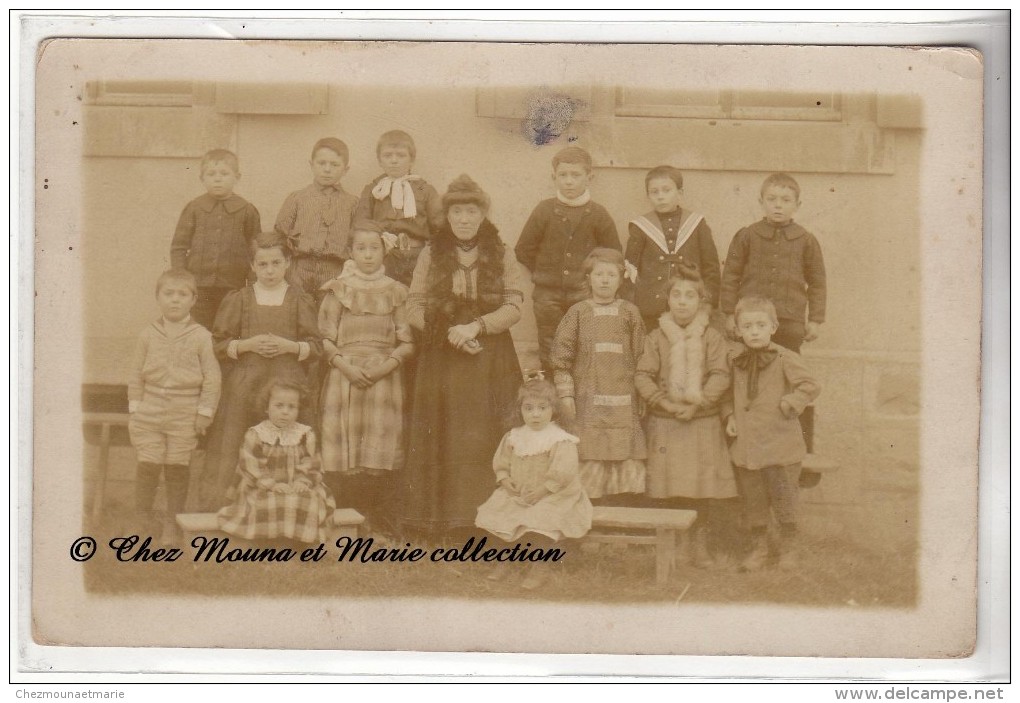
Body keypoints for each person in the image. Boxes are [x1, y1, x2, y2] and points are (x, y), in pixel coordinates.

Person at [402, 174, 524, 540]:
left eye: (472, 211)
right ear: (448, 216)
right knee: (444, 431)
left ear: (483, 214)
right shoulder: (431, 252)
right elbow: (414, 304)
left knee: (482, 434)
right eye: (457, 212)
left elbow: (515, 304)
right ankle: (443, 522)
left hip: (491, 355)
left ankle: (486, 523)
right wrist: (447, 334)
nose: (465, 219)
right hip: (441, 355)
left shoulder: (502, 252)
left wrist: (476, 327)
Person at [198, 232, 321, 510]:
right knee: (235, 441)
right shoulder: (239, 299)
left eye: (276, 263)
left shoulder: (299, 299)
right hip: (245, 385)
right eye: (262, 264)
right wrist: (247, 345)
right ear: (252, 266)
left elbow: (316, 347)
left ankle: (289, 508)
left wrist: (288, 346)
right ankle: (229, 507)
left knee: (291, 447)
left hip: (287, 385)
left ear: (287, 263)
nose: (269, 271)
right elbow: (219, 343)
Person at [719, 172, 826, 462]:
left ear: (797, 204)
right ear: (761, 202)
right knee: (745, 376)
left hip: (789, 323)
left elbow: (817, 282)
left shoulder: (806, 241)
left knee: (791, 379)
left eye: (786, 200)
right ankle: (743, 438)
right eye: (772, 199)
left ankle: (801, 448)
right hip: (751, 322)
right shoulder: (747, 236)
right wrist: (729, 313)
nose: (778, 205)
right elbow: (730, 275)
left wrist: (814, 319)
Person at [634, 267, 736, 568]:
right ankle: (672, 545)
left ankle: (698, 545)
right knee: (668, 487)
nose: (682, 302)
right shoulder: (655, 337)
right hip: (665, 422)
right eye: (676, 295)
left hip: (701, 420)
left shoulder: (713, 337)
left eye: (690, 296)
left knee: (700, 487)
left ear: (701, 301)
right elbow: (642, 375)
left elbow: (720, 374)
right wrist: (663, 403)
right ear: (667, 300)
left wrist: (698, 403)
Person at [319, 221, 414, 537]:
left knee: (377, 448)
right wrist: (345, 367)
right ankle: (347, 519)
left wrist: (383, 368)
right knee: (347, 449)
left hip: (382, 378)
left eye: (374, 248)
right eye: (361, 248)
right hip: (345, 375)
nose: (368, 255)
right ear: (351, 252)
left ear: (384, 251)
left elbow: (407, 341)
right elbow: (325, 339)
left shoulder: (396, 291)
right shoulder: (338, 289)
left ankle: (375, 519)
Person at [722, 296, 821, 572]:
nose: (754, 331)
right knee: (754, 501)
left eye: (760, 325)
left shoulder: (784, 357)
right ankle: (759, 548)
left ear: (773, 327)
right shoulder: (735, 359)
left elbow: (810, 385)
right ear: (738, 331)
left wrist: (792, 402)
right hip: (748, 447)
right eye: (748, 326)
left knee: (784, 499)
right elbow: (726, 392)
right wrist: (729, 414)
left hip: (780, 446)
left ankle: (789, 548)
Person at [475, 373, 592, 590]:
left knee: (542, 519)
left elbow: (563, 472)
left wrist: (543, 491)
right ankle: (505, 560)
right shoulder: (515, 436)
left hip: (556, 494)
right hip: (520, 493)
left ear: (553, 410)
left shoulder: (559, 438)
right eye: (528, 408)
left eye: (542, 408)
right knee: (498, 510)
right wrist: (505, 479)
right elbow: (501, 462)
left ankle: (540, 566)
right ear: (520, 410)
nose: (535, 415)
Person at [127, 269, 221, 540]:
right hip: (150, 408)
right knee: (148, 462)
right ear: (158, 297)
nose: (175, 300)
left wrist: (204, 412)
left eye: (182, 294)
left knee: (177, 464)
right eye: (168, 294)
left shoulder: (201, 336)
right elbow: (135, 373)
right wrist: (136, 407)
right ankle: (143, 519)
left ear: (194, 299)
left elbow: (213, 379)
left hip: (185, 409)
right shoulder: (148, 334)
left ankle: (173, 522)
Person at [549, 248, 646, 504]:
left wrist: (643, 393)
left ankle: (624, 515)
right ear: (588, 278)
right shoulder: (577, 313)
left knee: (624, 451)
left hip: (625, 401)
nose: (604, 280)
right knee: (590, 452)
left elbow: (642, 357)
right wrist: (566, 394)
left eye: (611, 275)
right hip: (586, 401)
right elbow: (561, 358)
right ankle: (589, 519)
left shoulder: (630, 313)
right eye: (599, 274)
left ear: (621, 279)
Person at [514, 146, 621, 375]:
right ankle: (554, 397)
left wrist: (589, 278)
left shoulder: (598, 214)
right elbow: (523, 249)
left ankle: (582, 397)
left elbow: (613, 255)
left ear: (589, 178)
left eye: (576, 175)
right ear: (554, 177)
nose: (569, 182)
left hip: (584, 293)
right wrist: (545, 272)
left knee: (584, 343)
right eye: (563, 175)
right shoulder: (544, 210)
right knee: (550, 344)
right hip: (547, 295)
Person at [217, 378, 336, 544]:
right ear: (267, 407)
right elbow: (250, 464)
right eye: (279, 406)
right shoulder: (256, 434)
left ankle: (299, 542)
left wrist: (302, 481)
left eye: (291, 407)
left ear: (299, 409)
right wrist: (271, 483)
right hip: (262, 485)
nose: (285, 412)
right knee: (266, 501)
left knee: (307, 500)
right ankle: (267, 541)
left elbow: (312, 462)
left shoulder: (304, 434)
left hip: (297, 485)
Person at [169, 149, 262, 329]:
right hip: (198, 285)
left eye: (224, 173)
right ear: (202, 178)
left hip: (232, 286)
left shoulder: (247, 210)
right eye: (211, 174)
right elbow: (179, 246)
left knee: (228, 328)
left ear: (237, 177)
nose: (217, 178)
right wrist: (181, 278)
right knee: (197, 328)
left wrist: (252, 281)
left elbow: (255, 249)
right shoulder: (194, 208)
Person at [625, 165, 721, 331]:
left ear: (680, 192)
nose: (661, 196)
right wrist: (631, 303)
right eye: (654, 192)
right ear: (648, 196)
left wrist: (707, 304)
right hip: (650, 309)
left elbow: (711, 267)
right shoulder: (640, 227)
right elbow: (630, 270)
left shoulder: (697, 224)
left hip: (689, 308)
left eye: (666, 190)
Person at [353, 130, 445, 286]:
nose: (394, 161)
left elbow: (440, 226)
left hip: (418, 256)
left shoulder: (425, 190)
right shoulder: (373, 190)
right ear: (380, 160)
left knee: (418, 297)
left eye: (401, 155)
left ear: (412, 159)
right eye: (387, 156)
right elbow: (361, 225)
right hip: (384, 258)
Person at [274, 137, 359, 305]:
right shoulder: (297, 198)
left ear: (345, 170)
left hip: (335, 270)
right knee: (297, 312)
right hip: (299, 268)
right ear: (311, 165)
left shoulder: (353, 203)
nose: (327, 169)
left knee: (328, 315)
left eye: (335, 165)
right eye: (321, 163)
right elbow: (280, 235)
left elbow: (357, 240)